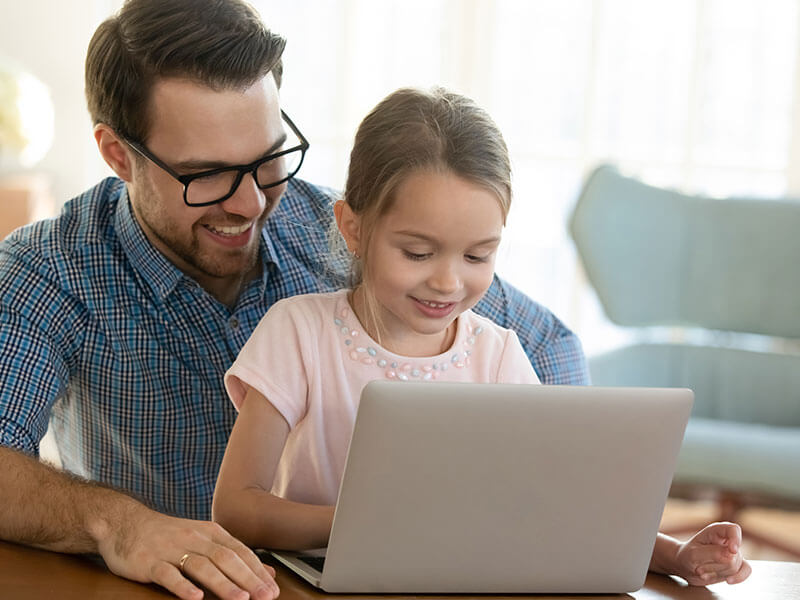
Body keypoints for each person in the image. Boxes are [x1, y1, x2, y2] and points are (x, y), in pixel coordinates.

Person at [0, 1, 588, 598]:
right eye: (206, 174)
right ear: (118, 154)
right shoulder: (49, 270)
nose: (252, 204)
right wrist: (118, 524)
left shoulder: (350, 232)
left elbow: (549, 346)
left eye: (267, 159)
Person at [212, 87, 751, 586]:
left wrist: (673, 556)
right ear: (353, 227)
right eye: (417, 253)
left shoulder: (497, 356)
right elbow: (237, 507)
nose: (448, 281)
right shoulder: (298, 332)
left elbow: (563, 509)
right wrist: (362, 525)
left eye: (478, 256)